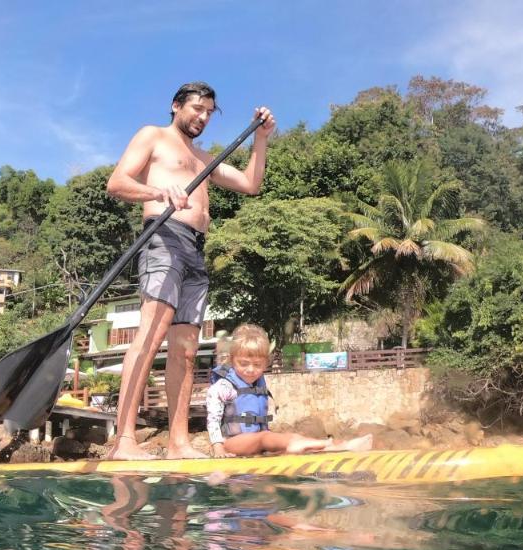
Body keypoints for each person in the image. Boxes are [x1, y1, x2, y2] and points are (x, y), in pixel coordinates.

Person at [105, 82, 277, 460]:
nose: (202, 117)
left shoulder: (205, 158)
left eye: (209, 112)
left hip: (196, 251)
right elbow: (117, 183)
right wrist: (158, 191)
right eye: (196, 108)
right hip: (163, 237)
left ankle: (178, 443)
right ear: (176, 106)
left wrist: (261, 139)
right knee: (150, 336)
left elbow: (250, 184)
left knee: (184, 352)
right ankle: (125, 442)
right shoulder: (153, 136)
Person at [207, 324, 374, 458]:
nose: (250, 370)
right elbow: (213, 420)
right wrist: (218, 448)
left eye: (257, 365)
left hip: (256, 442)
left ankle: (336, 446)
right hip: (231, 442)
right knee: (265, 438)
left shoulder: (258, 383)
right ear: (232, 361)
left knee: (285, 440)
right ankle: (331, 445)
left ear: (265, 364)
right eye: (243, 364)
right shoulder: (224, 386)